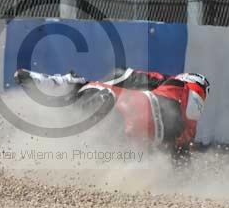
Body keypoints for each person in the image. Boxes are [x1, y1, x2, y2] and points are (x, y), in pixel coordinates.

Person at [14, 67, 210, 157]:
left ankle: (66, 83)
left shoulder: (175, 82)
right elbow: (180, 168)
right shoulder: (189, 132)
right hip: (129, 139)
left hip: (115, 106)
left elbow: (125, 75)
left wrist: (96, 83)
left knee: (86, 86)